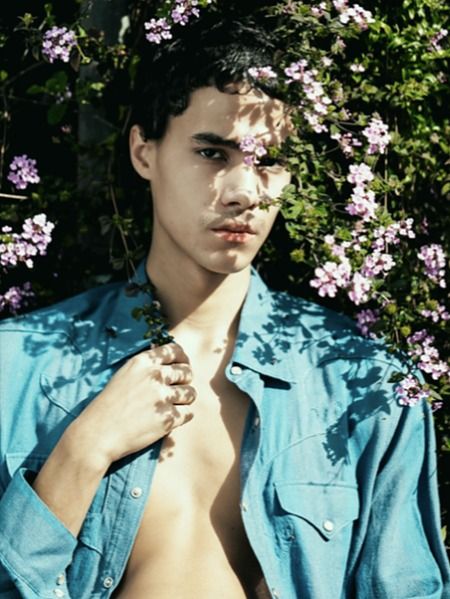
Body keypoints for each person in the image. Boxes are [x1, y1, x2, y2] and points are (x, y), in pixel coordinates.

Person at [0, 13, 449, 599]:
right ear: (143, 152)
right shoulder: (16, 370)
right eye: (212, 152)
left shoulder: (364, 386)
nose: (244, 192)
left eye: (269, 159)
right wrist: (81, 453)